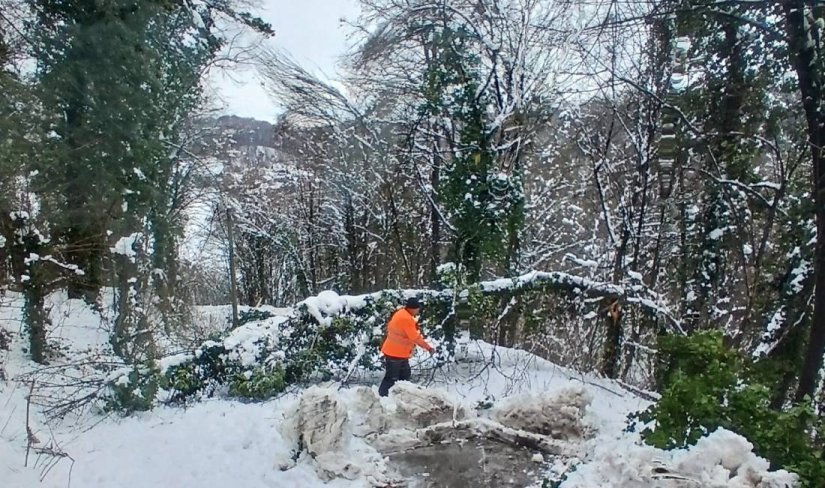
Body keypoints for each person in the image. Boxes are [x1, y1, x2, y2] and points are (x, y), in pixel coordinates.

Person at [378, 297, 434, 397]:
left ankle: (399, 396)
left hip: (397, 352)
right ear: (413, 308)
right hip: (395, 353)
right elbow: (415, 337)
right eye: (417, 308)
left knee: (404, 376)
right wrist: (428, 348)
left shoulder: (401, 312)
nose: (418, 310)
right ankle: (382, 397)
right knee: (392, 378)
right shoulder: (406, 319)